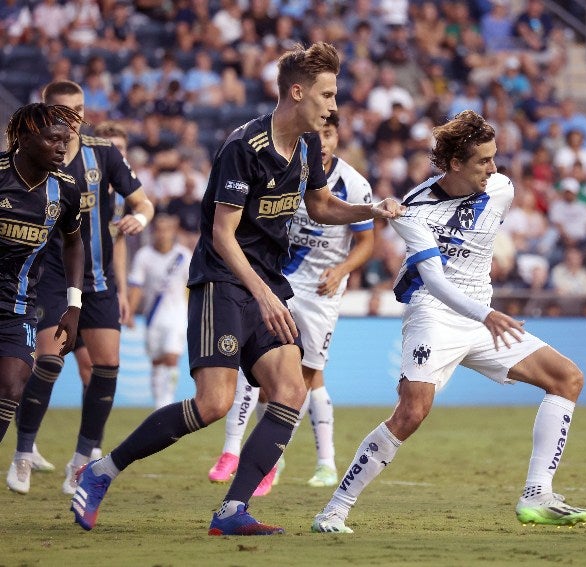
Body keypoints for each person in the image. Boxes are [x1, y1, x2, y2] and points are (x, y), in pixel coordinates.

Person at [69, 42, 403, 536]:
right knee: (214, 404)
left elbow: (320, 205)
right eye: (327, 94)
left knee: (290, 390)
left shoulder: (309, 143)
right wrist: (266, 295)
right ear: (296, 91)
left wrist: (368, 210)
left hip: (266, 281)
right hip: (221, 281)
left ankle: (231, 511)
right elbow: (222, 236)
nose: (334, 106)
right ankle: (100, 472)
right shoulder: (244, 148)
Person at [311, 110, 586, 534]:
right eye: (483, 161)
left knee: (567, 378)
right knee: (410, 413)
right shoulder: (415, 212)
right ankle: (334, 510)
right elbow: (437, 283)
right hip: (436, 315)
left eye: (494, 158)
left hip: (483, 318)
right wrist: (487, 314)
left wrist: (485, 314)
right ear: (455, 164)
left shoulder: (501, 189)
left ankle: (537, 494)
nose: (494, 169)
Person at [209, 111, 375, 493]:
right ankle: (237, 451)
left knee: (307, 377)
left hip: (321, 291)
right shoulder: (288, 166)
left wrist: (340, 271)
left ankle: (295, 460)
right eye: (320, 133)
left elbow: (367, 242)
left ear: (336, 138)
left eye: (330, 134)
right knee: (256, 364)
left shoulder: (354, 184)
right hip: (279, 279)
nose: (324, 141)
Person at [8, 81, 155, 496]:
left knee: (106, 366)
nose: (72, 119)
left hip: (100, 280)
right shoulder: (36, 155)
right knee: (49, 361)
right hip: (51, 277)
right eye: (62, 110)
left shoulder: (103, 152)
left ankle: (81, 460)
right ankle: (23, 452)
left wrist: (139, 220)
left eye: (78, 109)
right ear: (45, 111)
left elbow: (143, 202)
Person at [0, 103, 84, 450]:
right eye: (53, 140)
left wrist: (74, 304)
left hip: (17, 307)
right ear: (24, 137)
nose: (62, 148)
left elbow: (74, 243)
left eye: (66, 141)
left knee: (13, 385)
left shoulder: (65, 190)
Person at [125, 214, 192, 409]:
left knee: (172, 356)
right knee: (157, 360)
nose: (162, 234)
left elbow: (192, 284)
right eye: (159, 229)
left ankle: (166, 400)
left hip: (177, 315)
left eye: (166, 229)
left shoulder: (183, 256)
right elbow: (136, 285)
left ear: (173, 232)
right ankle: (158, 404)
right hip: (153, 316)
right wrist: (129, 311)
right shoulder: (144, 256)